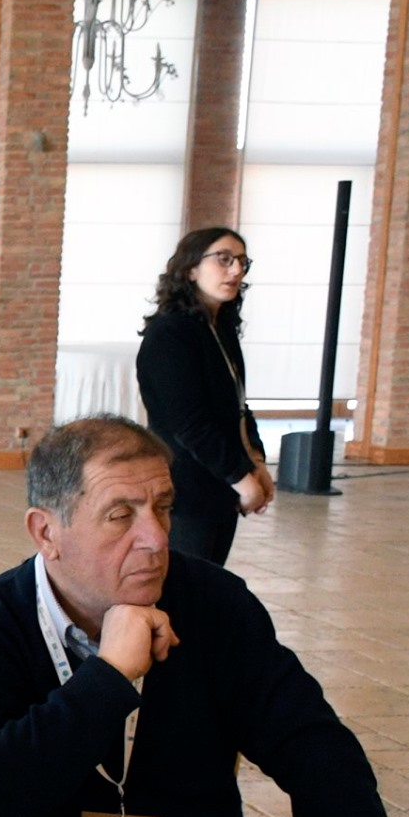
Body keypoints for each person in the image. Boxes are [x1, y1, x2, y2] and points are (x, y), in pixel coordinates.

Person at [0, 416, 388, 817]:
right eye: (121, 516)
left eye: (163, 508)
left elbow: (323, 759)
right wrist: (110, 674)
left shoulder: (216, 604)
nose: (156, 538)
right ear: (47, 533)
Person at [135, 226, 274, 565]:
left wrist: (256, 461)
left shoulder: (220, 326)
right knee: (184, 586)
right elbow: (189, 424)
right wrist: (241, 479)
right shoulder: (170, 334)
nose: (236, 270)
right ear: (191, 269)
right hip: (185, 490)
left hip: (218, 484)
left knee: (208, 584)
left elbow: (237, 406)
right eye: (223, 259)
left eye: (242, 261)